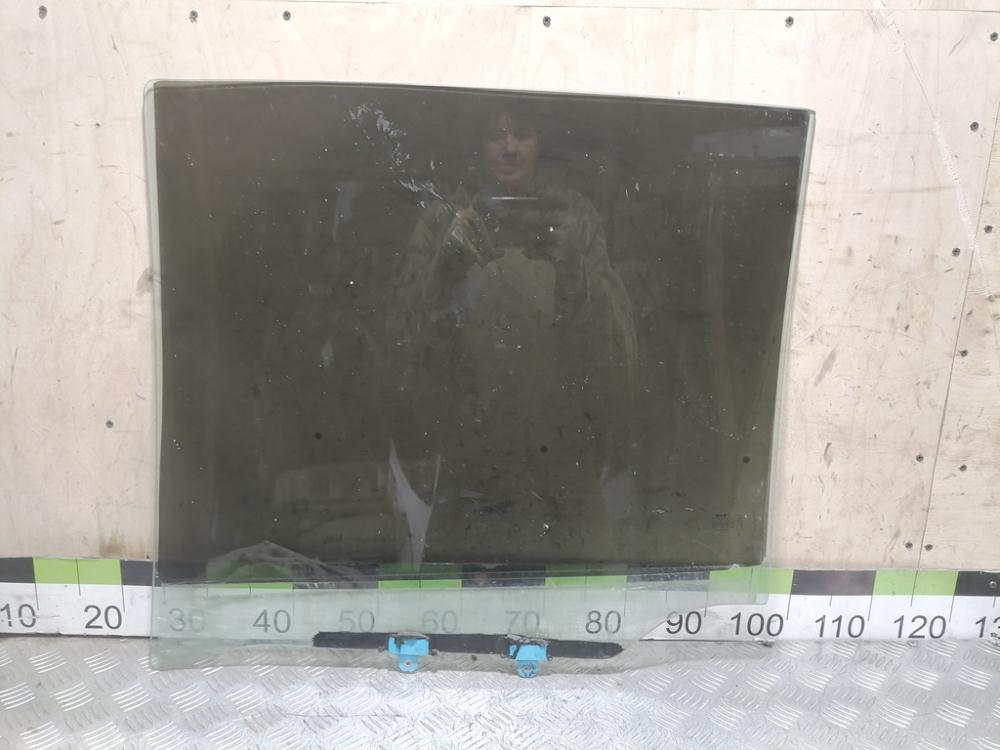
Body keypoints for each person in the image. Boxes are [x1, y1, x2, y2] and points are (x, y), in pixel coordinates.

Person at [386, 103, 639, 564]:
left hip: (562, 459)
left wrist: (572, 267)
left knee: (576, 592)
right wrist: (446, 268)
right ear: (476, 145)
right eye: (495, 135)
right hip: (470, 463)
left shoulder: (575, 217)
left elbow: (616, 353)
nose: (509, 148)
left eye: (522, 134)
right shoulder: (443, 219)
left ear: (541, 143)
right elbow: (405, 346)